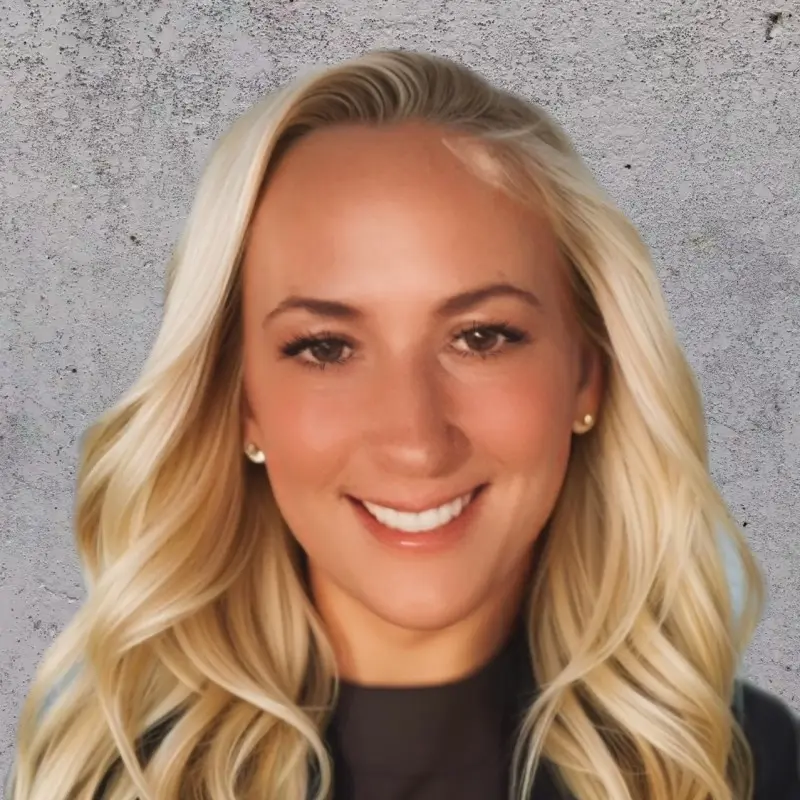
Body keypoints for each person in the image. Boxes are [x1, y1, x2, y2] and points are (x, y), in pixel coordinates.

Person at [7, 49, 799, 800]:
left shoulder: (745, 766)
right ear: (242, 400)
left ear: (587, 374)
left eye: (482, 337)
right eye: (325, 347)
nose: (417, 439)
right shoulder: (116, 781)